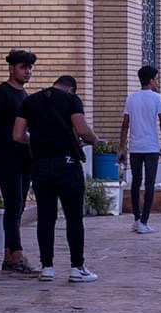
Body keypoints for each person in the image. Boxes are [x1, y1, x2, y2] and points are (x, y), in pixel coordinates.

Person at [12, 74, 100, 281]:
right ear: (71, 89)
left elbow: (17, 135)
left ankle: (47, 268)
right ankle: (77, 268)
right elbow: (82, 129)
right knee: (74, 217)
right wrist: (94, 139)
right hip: (67, 164)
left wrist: (37, 141)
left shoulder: (30, 101)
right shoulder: (71, 100)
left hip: (40, 165)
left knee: (45, 217)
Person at [0, 50, 39, 276]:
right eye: (23, 67)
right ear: (11, 69)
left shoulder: (24, 95)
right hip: (7, 159)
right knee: (13, 206)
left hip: (25, 159)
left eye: (30, 68)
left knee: (18, 207)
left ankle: (8, 257)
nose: (27, 72)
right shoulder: (0, 94)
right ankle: (17, 256)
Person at [118, 64, 161, 233]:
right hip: (151, 146)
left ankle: (136, 218)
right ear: (151, 80)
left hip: (135, 147)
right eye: (157, 79)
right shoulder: (157, 98)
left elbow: (125, 125)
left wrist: (122, 148)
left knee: (136, 182)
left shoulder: (131, 98)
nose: (158, 82)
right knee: (149, 183)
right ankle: (144, 221)